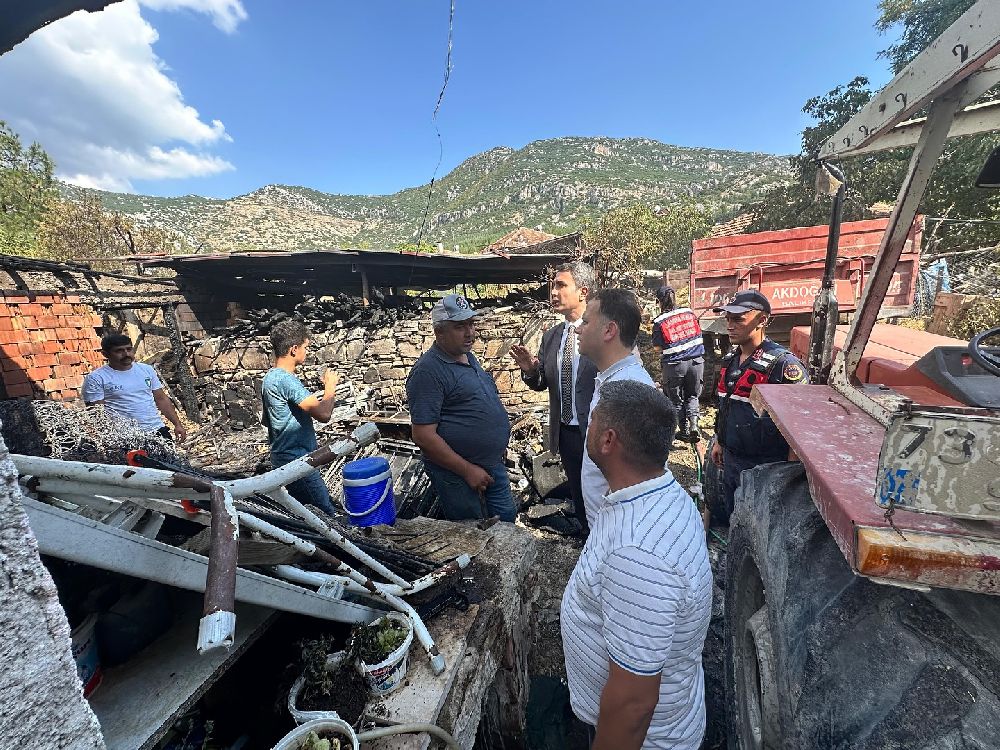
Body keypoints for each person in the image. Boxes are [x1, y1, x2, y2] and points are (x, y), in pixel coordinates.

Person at [561, 380, 713, 750]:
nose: (587, 425)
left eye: (593, 419)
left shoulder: (637, 554)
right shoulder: (660, 492)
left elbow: (633, 704)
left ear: (608, 440)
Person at [407, 294, 516, 522]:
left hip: (492, 464)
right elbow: (423, 435)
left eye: (471, 324)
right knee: (472, 530)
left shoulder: (468, 357)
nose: (470, 333)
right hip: (458, 475)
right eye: (459, 327)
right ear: (439, 332)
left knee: (506, 519)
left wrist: (495, 444)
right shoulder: (427, 372)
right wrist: (467, 470)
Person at [510, 261, 598, 532]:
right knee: (579, 493)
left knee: (604, 492)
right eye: (553, 285)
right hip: (567, 433)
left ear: (583, 292)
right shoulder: (551, 336)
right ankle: (588, 538)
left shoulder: (603, 331)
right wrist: (530, 369)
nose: (553, 292)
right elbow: (542, 383)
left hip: (598, 431)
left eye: (561, 285)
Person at [709, 289, 808, 520]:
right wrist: (719, 441)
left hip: (766, 467)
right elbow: (725, 406)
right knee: (735, 516)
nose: (730, 326)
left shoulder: (783, 366)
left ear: (762, 320)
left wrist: (789, 474)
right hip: (732, 460)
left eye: (738, 319)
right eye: (728, 319)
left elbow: (799, 425)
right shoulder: (730, 361)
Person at [576, 288, 655, 528]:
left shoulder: (629, 390)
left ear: (609, 330)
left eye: (586, 322)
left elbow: (636, 479)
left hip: (617, 528)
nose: (578, 329)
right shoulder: (610, 380)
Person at [262, 319, 340, 515]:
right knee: (326, 516)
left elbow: (268, 421)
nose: (307, 352)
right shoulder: (285, 380)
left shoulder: (269, 378)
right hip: (297, 463)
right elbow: (324, 414)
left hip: (282, 459)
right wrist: (330, 387)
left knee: (304, 514)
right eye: (305, 347)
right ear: (294, 349)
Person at [82, 333, 187, 441]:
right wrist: (108, 439)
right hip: (125, 437)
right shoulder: (96, 378)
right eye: (119, 351)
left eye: (129, 349)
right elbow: (97, 412)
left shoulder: (146, 370)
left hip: (157, 430)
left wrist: (177, 424)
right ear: (105, 354)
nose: (126, 354)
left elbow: (161, 399)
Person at [651, 285, 705, 444]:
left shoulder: (659, 321)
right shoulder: (689, 312)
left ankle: (684, 431)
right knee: (692, 395)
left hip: (674, 365)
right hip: (696, 362)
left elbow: (657, 347)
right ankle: (694, 425)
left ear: (659, 301)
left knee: (676, 400)